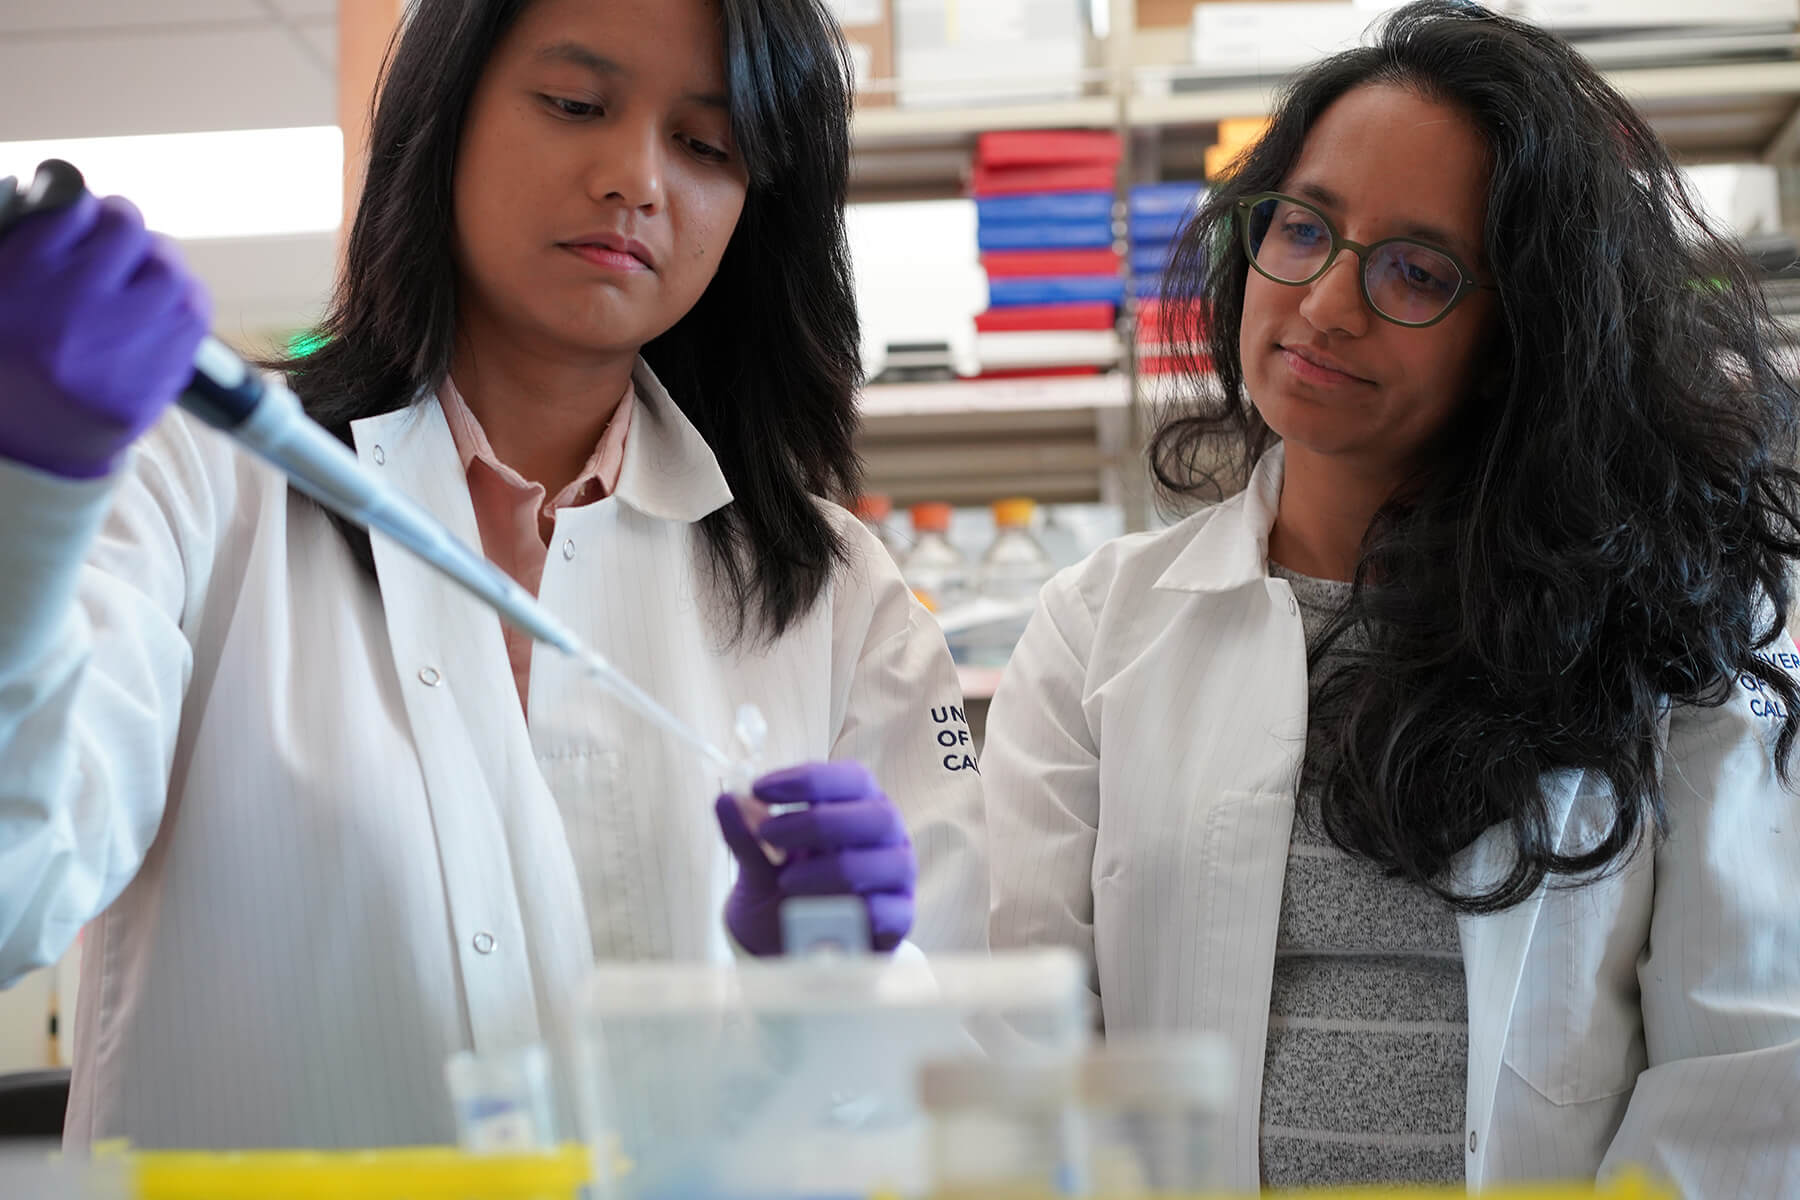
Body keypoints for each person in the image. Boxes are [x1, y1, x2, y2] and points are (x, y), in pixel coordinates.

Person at [0, 0, 986, 1151]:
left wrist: (838, 985)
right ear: (446, 116)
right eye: (575, 104)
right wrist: (30, 497)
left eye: (707, 146)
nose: (634, 176)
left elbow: (972, 1085)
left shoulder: (832, 592)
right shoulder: (200, 485)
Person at [982, 2, 1800, 1195]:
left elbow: (1742, 1067)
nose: (1322, 304)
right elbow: (1031, 1039)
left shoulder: (1675, 627)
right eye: (1304, 229)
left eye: (1417, 270)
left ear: (1524, 333)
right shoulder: (1096, 629)